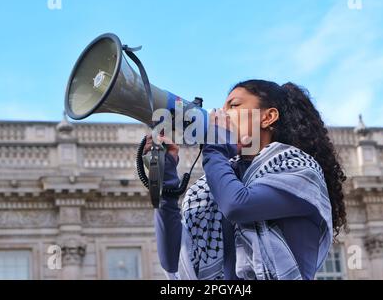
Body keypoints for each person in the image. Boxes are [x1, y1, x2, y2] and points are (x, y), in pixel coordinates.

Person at [144, 80, 347, 280]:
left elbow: (237, 205)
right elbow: (172, 261)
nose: (219, 115)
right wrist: (167, 181)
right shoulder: (213, 185)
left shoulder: (300, 171)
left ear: (268, 117)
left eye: (233, 105)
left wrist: (215, 147)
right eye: (221, 108)